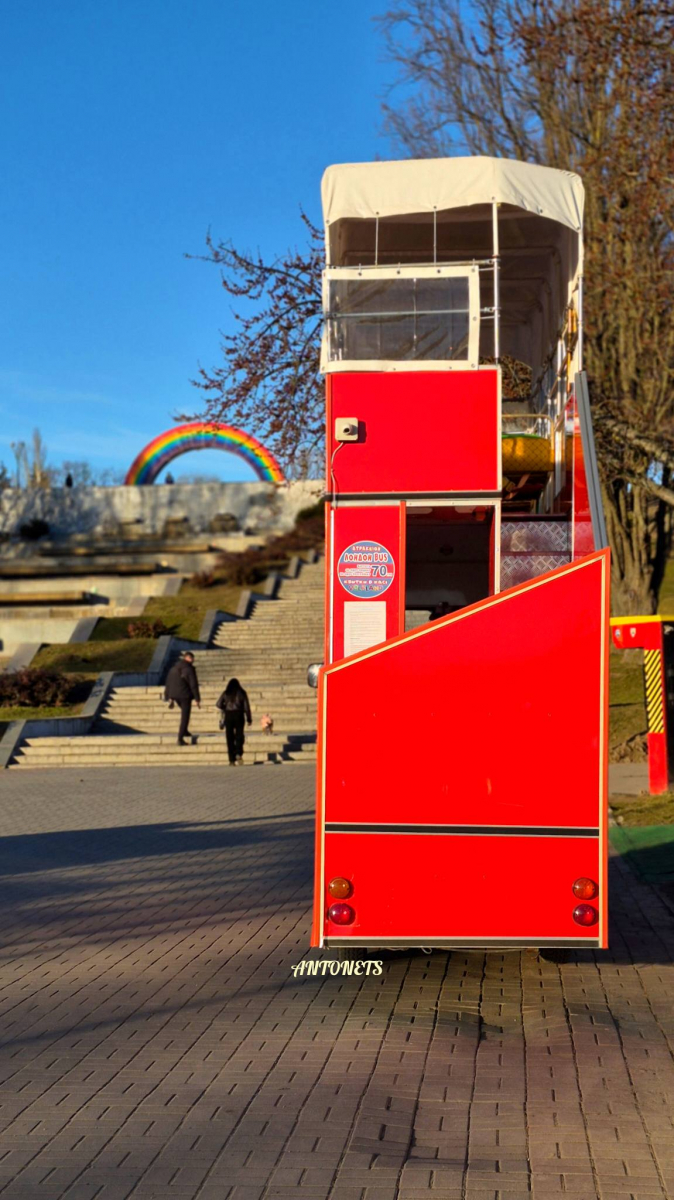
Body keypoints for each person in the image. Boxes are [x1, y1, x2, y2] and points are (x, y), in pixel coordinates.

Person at [163, 652, 201, 745]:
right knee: (185, 716)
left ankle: (185, 731)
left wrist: (167, 696)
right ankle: (180, 738)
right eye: (192, 659)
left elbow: (168, 682)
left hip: (174, 695)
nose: (193, 661)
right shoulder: (189, 669)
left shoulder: (173, 668)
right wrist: (197, 698)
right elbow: (193, 684)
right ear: (189, 658)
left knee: (185, 713)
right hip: (185, 695)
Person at [216, 678, 252, 765]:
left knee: (229, 737)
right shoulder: (242, 693)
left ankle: (231, 760)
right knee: (239, 735)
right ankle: (238, 753)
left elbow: (218, 704)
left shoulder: (226, 692)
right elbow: (246, 707)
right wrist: (249, 719)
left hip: (228, 715)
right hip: (239, 715)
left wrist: (225, 707)